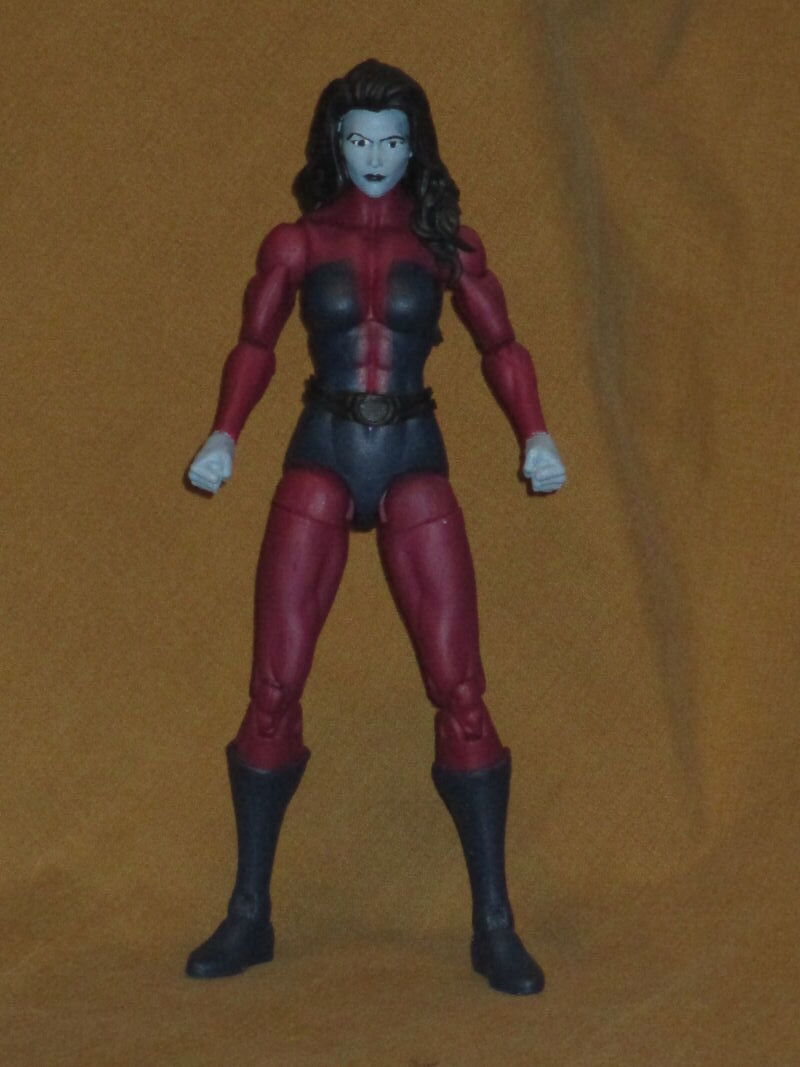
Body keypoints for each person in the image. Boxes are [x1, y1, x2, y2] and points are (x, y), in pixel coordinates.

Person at [185, 59, 566, 996]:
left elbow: (502, 343)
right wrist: (224, 434)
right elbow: (255, 342)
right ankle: (248, 912)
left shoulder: (445, 244)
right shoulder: (297, 241)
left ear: (415, 146)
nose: (374, 155)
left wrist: (537, 433)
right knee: (273, 687)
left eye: (391, 140)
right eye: (357, 139)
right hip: (320, 450)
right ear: (333, 143)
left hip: (411, 453)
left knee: (462, 688)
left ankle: (494, 922)